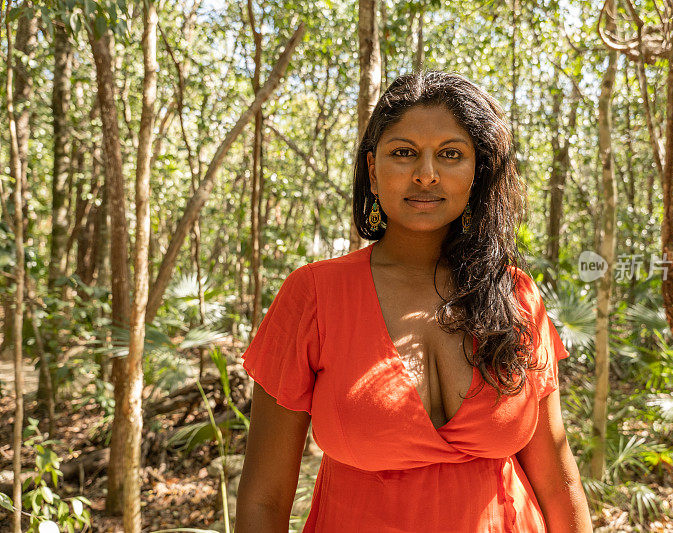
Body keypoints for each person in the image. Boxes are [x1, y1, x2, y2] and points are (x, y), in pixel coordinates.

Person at [235, 70, 592, 532]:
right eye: (404, 153)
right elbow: (264, 498)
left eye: (450, 155)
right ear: (372, 170)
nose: (426, 174)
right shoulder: (314, 296)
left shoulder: (516, 295)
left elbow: (559, 484)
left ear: (476, 173)